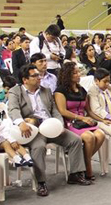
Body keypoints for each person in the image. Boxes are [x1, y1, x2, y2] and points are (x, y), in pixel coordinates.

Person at [7, 64, 90, 196]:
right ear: (25, 80)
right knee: (39, 147)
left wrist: (59, 124)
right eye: (34, 76)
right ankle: (41, 182)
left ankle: (75, 174)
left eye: (39, 75)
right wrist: (21, 122)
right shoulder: (15, 92)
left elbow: (55, 110)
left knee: (75, 140)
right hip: (33, 129)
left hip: (50, 125)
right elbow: (13, 110)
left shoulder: (45, 91)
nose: (39, 78)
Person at [55, 62, 105, 181]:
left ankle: (81, 163)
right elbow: (62, 111)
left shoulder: (82, 90)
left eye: (79, 72)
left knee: (100, 134)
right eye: (75, 73)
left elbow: (89, 110)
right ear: (67, 75)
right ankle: (87, 168)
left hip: (83, 122)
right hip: (70, 123)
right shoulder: (60, 91)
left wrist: (102, 120)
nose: (79, 75)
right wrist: (82, 118)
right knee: (89, 137)